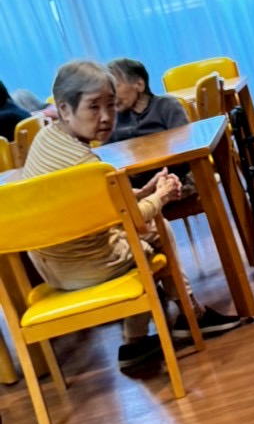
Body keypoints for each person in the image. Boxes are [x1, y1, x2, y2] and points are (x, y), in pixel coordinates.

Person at [21, 60, 242, 372]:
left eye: (111, 105)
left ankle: (139, 341)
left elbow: (96, 205)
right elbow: (133, 220)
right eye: (93, 107)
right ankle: (190, 317)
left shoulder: (45, 141)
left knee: (139, 238)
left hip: (53, 269)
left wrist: (143, 191)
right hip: (90, 269)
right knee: (154, 231)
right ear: (65, 109)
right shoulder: (87, 165)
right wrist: (160, 196)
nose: (106, 116)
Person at [107, 58, 190, 139]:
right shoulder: (114, 116)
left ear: (139, 85)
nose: (111, 94)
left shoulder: (167, 105)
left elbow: (183, 141)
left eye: (115, 86)